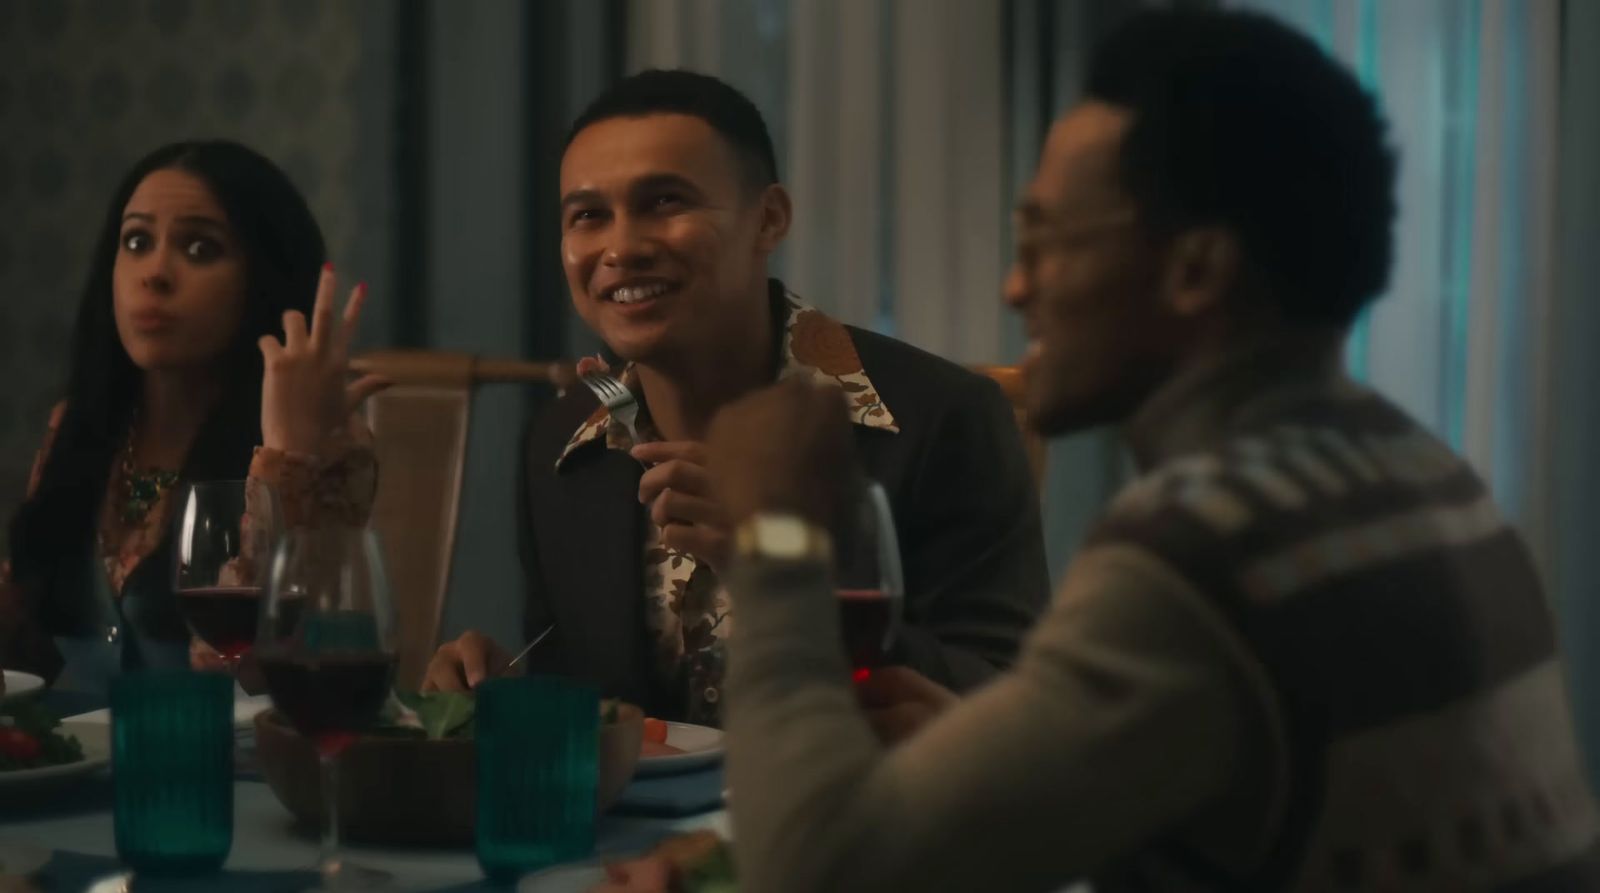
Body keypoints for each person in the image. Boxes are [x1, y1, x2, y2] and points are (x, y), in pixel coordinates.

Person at [605, 9, 1600, 892]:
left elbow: (819, 868)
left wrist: (779, 538)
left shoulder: (1203, 546)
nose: (1014, 286)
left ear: (1196, 267)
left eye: (1045, 237)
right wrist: (973, 749)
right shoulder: (1414, 466)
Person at [424, 70, 1050, 723]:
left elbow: (1008, 705)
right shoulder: (563, 444)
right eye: (588, 216)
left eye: (665, 202)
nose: (621, 248)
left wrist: (781, 572)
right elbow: (589, 694)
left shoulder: (943, 419)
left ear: (769, 219)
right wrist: (505, 689)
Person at [0, 140, 387, 696]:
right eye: (136, 241)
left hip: (223, 770)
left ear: (262, 277)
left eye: (200, 249)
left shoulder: (320, 451)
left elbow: (265, 677)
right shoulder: (79, 428)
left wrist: (289, 457)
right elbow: (26, 658)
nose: (154, 273)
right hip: (69, 769)